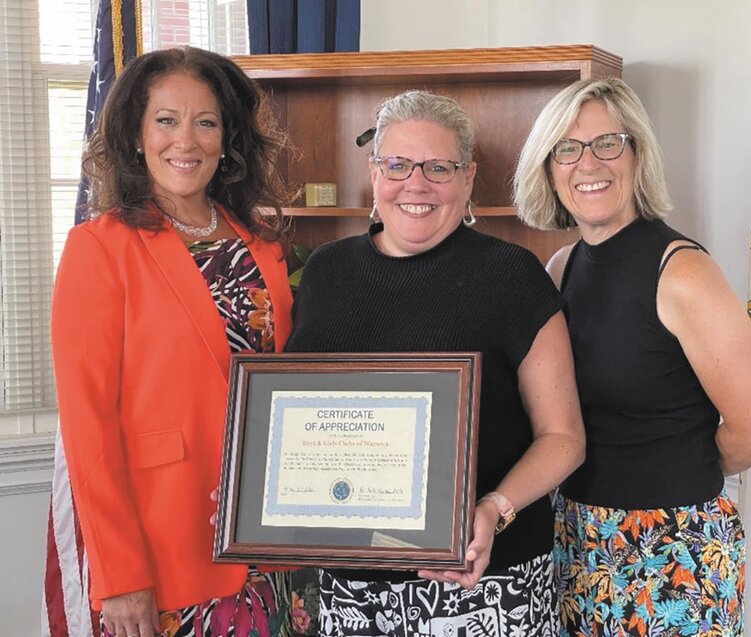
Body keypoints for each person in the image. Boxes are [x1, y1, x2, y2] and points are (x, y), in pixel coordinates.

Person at [284, 89, 586, 636]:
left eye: (438, 167)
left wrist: (494, 509)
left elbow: (563, 437)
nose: (415, 184)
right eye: (397, 164)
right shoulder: (327, 272)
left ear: (468, 178)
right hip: (352, 587)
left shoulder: (512, 276)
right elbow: (297, 415)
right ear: (374, 172)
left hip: (484, 582)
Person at [514, 77, 751, 636]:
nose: (587, 163)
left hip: (672, 550)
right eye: (567, 148)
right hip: (577, 539)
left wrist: (670, 470)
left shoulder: (683, 271)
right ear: (548, 168)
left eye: (607, 143)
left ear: (638, 153)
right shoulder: (561, 268)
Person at [51, 46, 296, 637]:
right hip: (165, 556)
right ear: (136, 134)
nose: (185, 140)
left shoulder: (261, 244)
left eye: (205, 122)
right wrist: (118, 573)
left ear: (226, 137)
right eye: (166, 120)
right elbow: (89, 430)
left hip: (270, 547)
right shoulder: (99, 249)